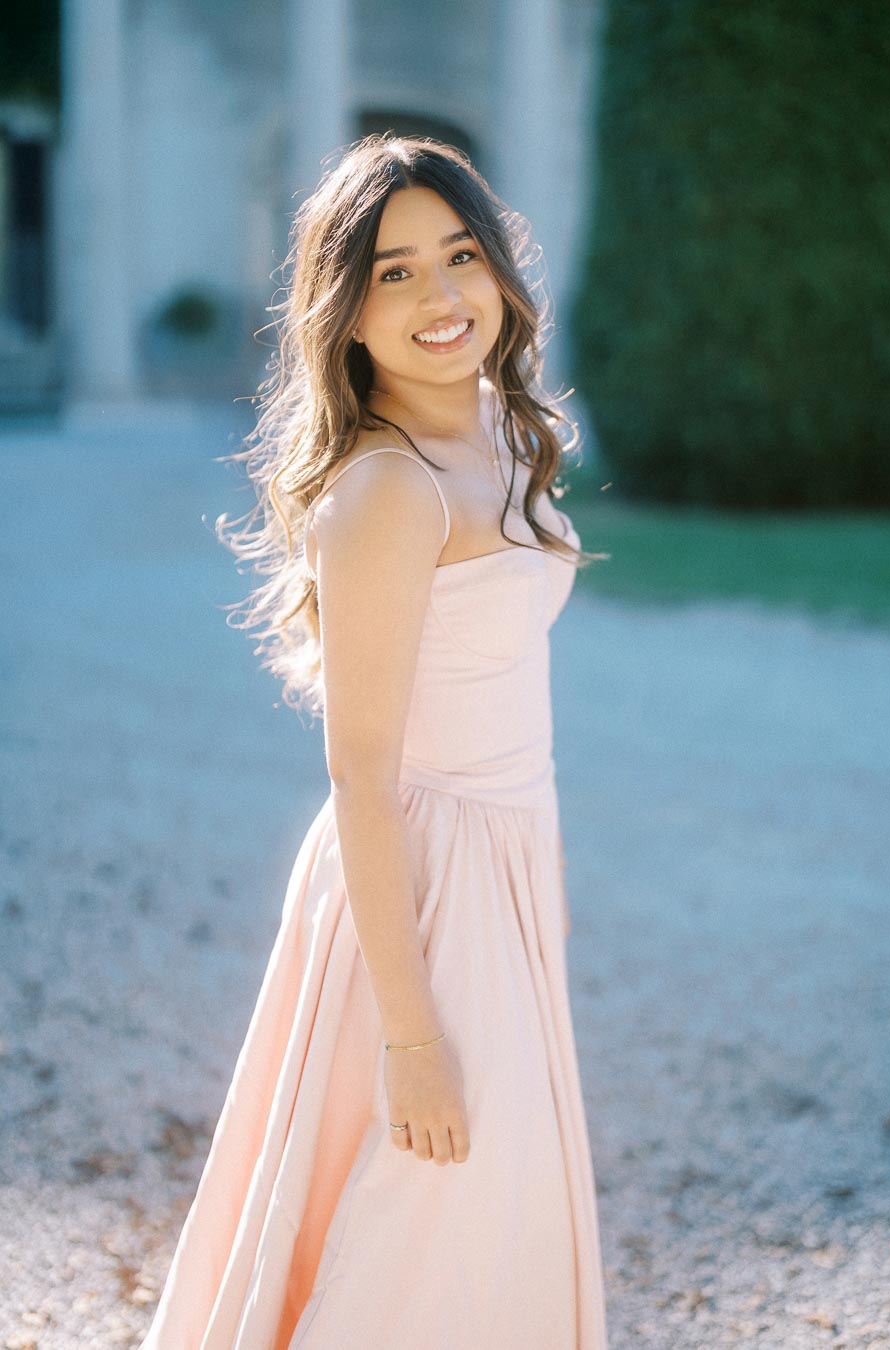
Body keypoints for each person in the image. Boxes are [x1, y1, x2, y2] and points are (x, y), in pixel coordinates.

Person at [139, 133, 609, 1349]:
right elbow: (360, 771)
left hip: (500, 860)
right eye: (392, 273)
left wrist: (537, 866)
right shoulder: (389, 491)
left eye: (459, 255)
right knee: (430, 1201)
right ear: (343, 315)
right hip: (417, 876)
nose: (440, 296)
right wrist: (410, 1036)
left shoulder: (501, 432)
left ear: (501, 270)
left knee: (493, 1200)